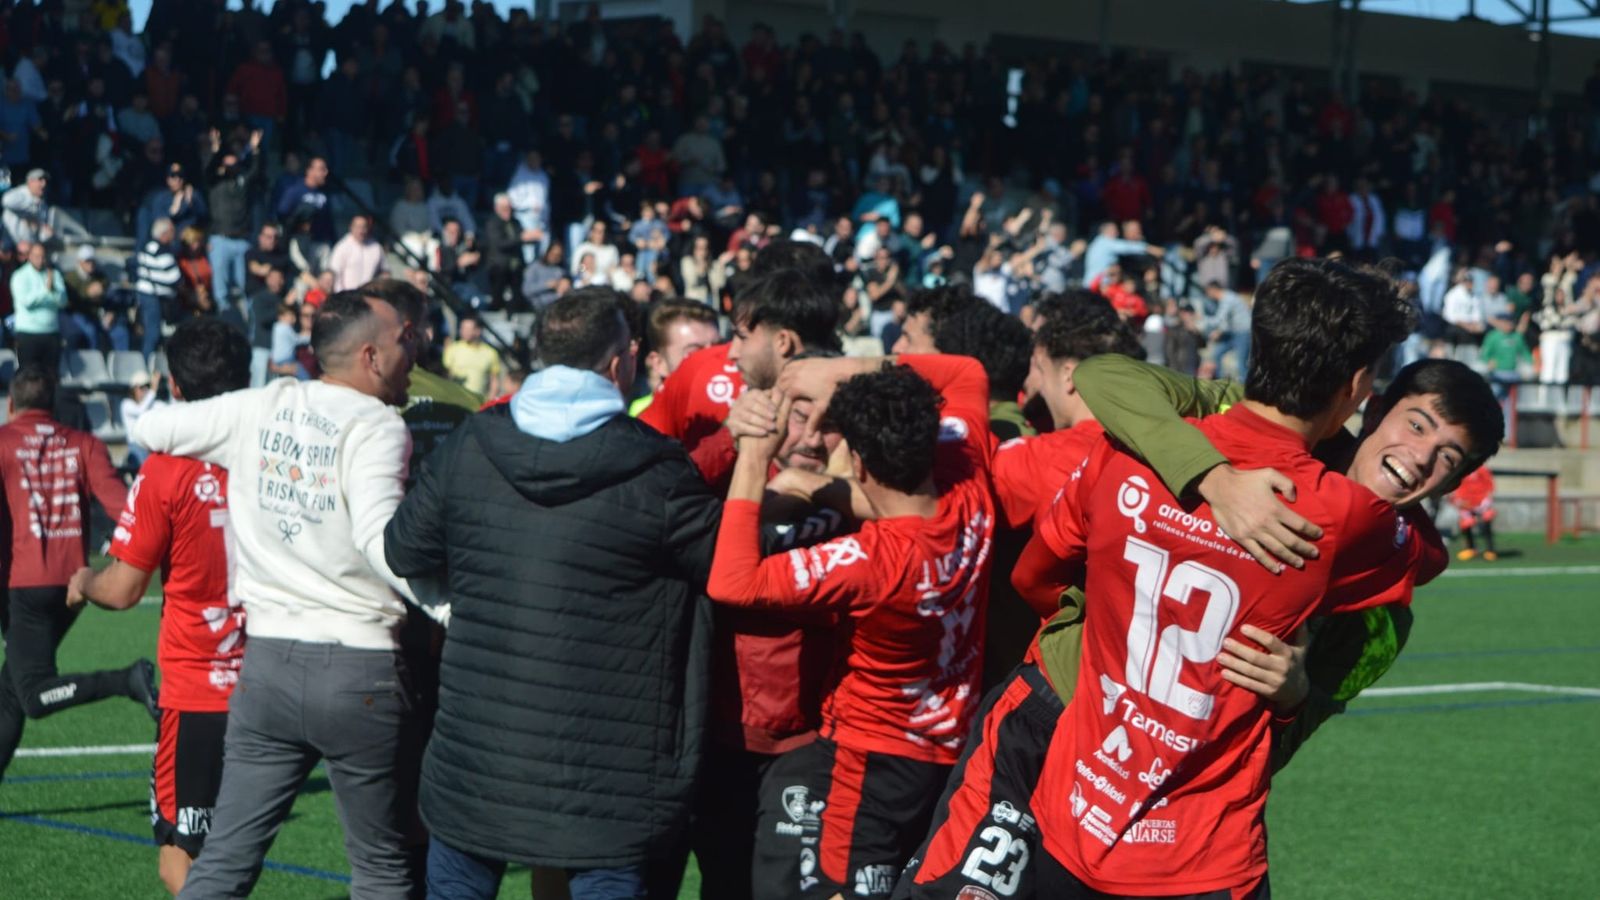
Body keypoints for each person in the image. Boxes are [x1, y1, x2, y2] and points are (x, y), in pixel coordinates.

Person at [894, 352, 1503, 900]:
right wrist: (1214, 477)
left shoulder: (1384, 604)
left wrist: (1295, 695)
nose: (1420, 458)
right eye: (1416, 425)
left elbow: (1298, 732)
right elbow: (1106, 376)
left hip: (1177, 797)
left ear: (1454, 482)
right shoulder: (1266, 429)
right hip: (1057, 717)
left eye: (1447, 458)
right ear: (1370, 406)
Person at [1010, 258, 1424, 897]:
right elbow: (1423, 561)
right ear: (1359, 383)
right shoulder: (1344, 517)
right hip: (1202, 858)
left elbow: (1035, 577)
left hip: (1075, 815)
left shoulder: (1129, 455)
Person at [383, 287, 721, 899]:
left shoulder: (471, 446)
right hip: (607, 777)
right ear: (621, 363)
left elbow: (404, 550)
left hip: (478, 758)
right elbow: (737, 572)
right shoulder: (659, 473)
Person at [131, 289, 421, 898]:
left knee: (223, 865)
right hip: (358, 666)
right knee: (381, 870)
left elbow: (151, 424)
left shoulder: (265, 405)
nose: (415, 351)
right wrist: (452, 604)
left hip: (266, 671)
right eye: (406, 339)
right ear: (370, 356)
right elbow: (381, 541)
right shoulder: (378, 426)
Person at [707, 353, 995, 899]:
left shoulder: (871, 561)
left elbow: (733, 582)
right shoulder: (970, 481)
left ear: (858, 461)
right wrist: (842, 370)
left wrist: (753, 458)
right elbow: (967, 374)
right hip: (948, 752)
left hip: (868, 762)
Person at [67, 319, 252, 894]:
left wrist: (84, 579)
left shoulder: (166, 470)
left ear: (174, 384)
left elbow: (123, 590)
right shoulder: (272, 458)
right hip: (273, 680)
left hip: (200, 686)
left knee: (180, 853)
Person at [0, 367, 154, 782]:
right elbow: (126, 513)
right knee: (11, 691)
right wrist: (115, 567)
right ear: (52, 406)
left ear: (12, 405)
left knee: (32, 694)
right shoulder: (84, 444)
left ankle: (127, 679)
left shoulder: (3, 442)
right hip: (73, 587)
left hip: (20, 586)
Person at [631, 300, 722, 417]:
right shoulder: (641, 425)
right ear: (659, 363)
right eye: (696, 352)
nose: (712, 359)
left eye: (719, 347)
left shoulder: (741, 410)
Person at [9, 242, 65, 373]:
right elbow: (27, 302)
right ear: (29, 256)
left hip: (51, 333)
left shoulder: (54, 275)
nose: (40, 259)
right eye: (36, 256)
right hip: (28, 334)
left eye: (43, 256)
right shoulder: (20, 276)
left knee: (50, 377)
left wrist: (50, 294)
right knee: (28, 376)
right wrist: (47, 291)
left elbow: (62, 300)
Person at [134, 218, 183, 358]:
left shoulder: (146, 247)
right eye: (172, 232)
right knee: (153, 333)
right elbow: (175, 278)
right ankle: (146, 365)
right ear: (164, 233)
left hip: (147, 295)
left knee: (154, 333)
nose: (174, 235)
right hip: (153, 298)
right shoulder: (162, 251)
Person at [442, 317, 501, 396]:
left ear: (478, 331)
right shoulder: (453, 349)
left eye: (468, 329)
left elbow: (494, 380)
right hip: (455, 398)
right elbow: (445, 376)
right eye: (462, 328)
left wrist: (490, 400)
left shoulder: (490, 353)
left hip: (479, 401)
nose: (463, 331)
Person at [328, 214, 386, 291]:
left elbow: (385, 272)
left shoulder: (376, 247)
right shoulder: (342, 247)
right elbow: (334, 274)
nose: (361, 230)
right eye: (358, 227)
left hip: (368, 294)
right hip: (346, 295)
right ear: (351, 227)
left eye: (364, 227)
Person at [1450, 466, 1498, 561]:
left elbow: (1490, 486)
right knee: (1466, 523)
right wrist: (1457, 501)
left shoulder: (1482, 469)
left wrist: (1487, 501)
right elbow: (1453, 488)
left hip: (1481, 503)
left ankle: (1490, 549)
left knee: (1486, 520)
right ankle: (1470, 548)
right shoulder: (1460, 470)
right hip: (1465, 504)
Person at [121, 370, 163, 468]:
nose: (145, 391)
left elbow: (166, 408)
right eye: (141, 388)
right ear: (134, 389)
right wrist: (153, 390)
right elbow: (140, 410)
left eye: (147, 387)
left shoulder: (150, 403)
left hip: (149, 445)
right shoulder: (126, 404)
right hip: (136, 447)